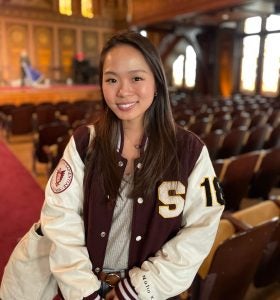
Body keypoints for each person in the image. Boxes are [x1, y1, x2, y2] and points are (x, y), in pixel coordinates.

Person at [40, 31, 225, 300]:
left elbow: (202, 228)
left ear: (157, 83)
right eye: (111, 79)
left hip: (151, 292)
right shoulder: (84, 142)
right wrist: (85, 291)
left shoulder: (190, 150)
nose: (123, 91)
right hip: (86, 289)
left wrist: (135, 290)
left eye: (136, 78)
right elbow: (59, 218)